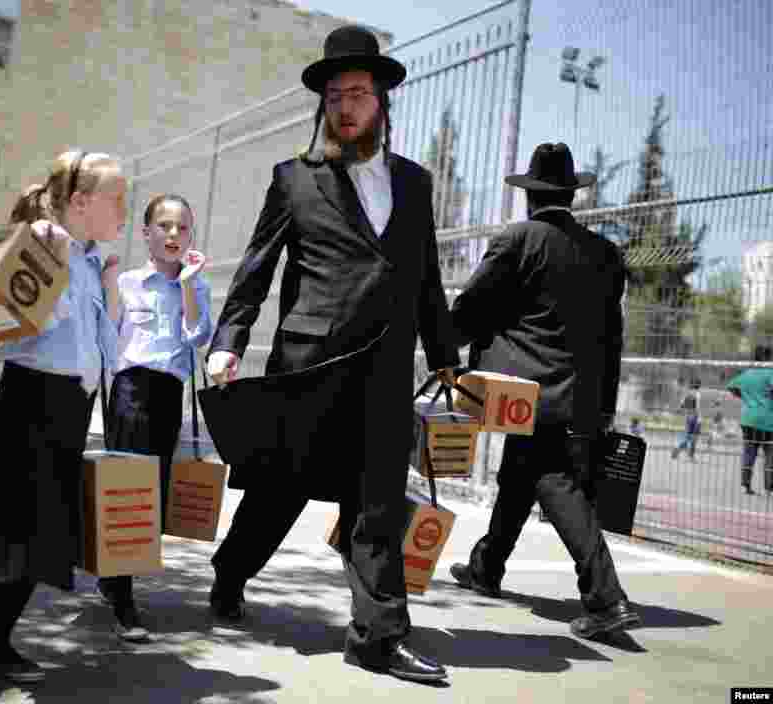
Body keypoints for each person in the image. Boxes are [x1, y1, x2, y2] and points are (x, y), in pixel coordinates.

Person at [205, 26, 459, 684]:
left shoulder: (415, 182)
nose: (346, 106)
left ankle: (377, 636)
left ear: (381, 102)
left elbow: (426, 274)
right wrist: (228, 343)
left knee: (377, 502)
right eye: (335, 95)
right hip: (310, 365)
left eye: (358, 93)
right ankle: (231, 570)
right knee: (278, 489)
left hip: (384, 367)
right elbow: (255, 272)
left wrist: (444, 352)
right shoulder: (295, 179)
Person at [447, 142, 641, 639]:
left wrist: (444, 347)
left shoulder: (520, 240)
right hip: (579, 394)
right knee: (522, 472)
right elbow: (612, 338)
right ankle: (487, 568)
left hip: (523, 389)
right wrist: (604, 405)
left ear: (530, 196)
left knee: (552, 479)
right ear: (571, 196)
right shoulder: (605, 253)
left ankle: (606, 598)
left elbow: (474, 308)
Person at [0, 151, 123, 687]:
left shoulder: (92, 259)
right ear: (80, 202)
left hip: (72, 403)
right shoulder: (42, 245)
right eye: (116, 199)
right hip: (33, 397)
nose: (125, 209)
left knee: (46, 529)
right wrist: (45, 265)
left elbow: (105, 346)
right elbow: (8, 329)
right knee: (20, 524)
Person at [96, 194, 211, 642]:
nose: (173, 235)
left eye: (182, 228)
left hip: (169, 396)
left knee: (155, 499)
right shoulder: (128, 283)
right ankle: (122, 598)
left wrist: (187, 284)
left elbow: (197, 337)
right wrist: (106, 285)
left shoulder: (195, 285)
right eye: (164, 226)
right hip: (130, 391)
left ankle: (113, 577)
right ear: (146, 233)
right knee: (128, 492)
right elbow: (108, 334)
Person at [727, 345, 773, 495]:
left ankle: (745, 485)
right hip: (768, 419)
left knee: (749, 452)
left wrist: (745, 397)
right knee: (770, 455)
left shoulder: (747, 373)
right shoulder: (770, 372)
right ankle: (769, 488)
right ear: (767, 357)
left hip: (748, 419)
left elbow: (731, 386)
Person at [671, 379, 702, 461]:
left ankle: (676, 451)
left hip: (689, 417)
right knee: (693, 438)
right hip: (695, 418)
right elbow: (696, 407)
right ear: (699, 386)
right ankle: (690, 455)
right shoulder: (697, 394)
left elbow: (681, 406)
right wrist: (697, 418)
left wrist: (680, 410)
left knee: (689, 437)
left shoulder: (688, 393)